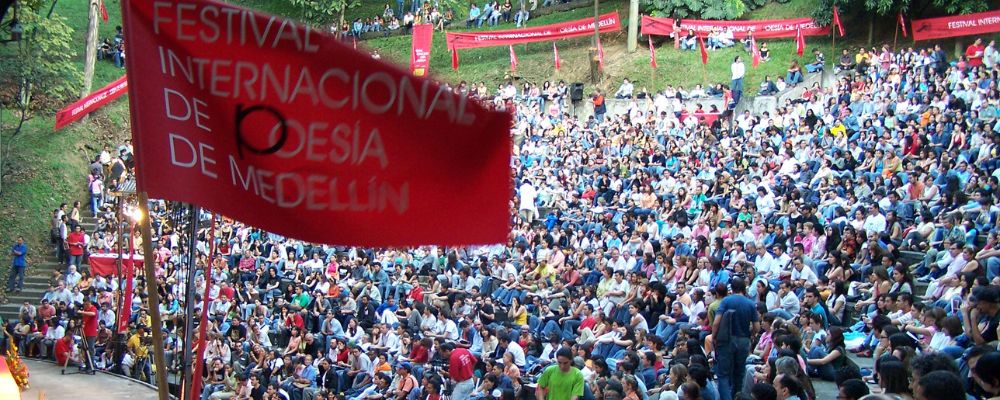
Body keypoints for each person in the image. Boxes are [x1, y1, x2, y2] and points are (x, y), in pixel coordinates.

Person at [712, 278, 759, 400]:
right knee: (739, 373)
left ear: (731, 288)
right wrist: (750, 334)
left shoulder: (726, 301)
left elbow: (716, 322)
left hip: (726, 339)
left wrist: (714, 337)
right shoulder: (750, 304)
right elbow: (756, 327)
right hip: (743, 340)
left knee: (723, 374)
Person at [80, 296, 98, 372]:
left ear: (89, 303)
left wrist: (82, 312)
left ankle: (91, 366)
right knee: (85, 349)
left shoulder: (93, 308)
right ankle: (87, 365)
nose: (85, 306)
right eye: (84, 304)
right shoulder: (85, 309)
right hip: (85, 332)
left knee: (90, 349)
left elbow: (93, 314)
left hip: (91, 333)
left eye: (87, 304)